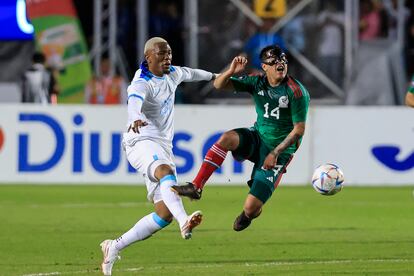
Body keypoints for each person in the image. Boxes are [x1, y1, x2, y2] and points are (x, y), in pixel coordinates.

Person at [100, 37, 217, 275]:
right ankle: (184, 221)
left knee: (163, 215)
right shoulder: (142, 82)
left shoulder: (172, 73)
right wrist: (134, 117)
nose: (167, 58)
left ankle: (114, 246)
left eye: (170, 53)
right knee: (165, 172)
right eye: (162, 54)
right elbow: (134, 101)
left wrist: (217, 76)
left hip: (162, 146)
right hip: (140, 141)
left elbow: (193, 73)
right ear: (148, 57)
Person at [172, 45, 310, 232]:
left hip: (280, 151)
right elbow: (218, 84)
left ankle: (248, 215)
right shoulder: (256, 82)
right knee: (227, 138)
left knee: (251, 208)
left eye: (283, 61)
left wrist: (275, 152)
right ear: (264, 67)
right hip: (258, 137)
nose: (280, 65)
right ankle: (196, 187)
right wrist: (230, 71)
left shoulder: (296, 92)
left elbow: (299, 130)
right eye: (274, 62)